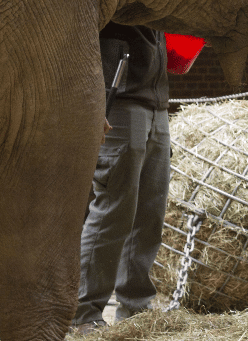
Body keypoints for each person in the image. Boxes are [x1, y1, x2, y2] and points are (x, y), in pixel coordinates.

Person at [71, 24, 171, 334]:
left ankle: (136, 310)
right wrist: (94, 100)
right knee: (113, 210)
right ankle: (84, 313)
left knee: (149, 214)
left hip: (156, 102)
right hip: (120, 100)